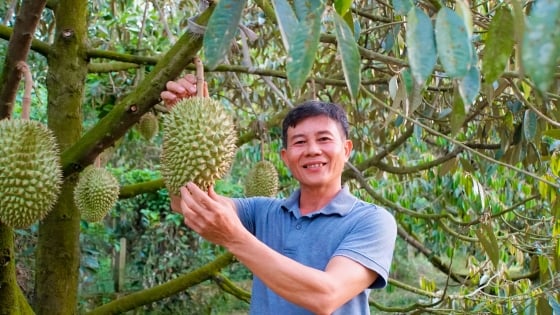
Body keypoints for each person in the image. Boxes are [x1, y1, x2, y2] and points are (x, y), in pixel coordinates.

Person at [162, 74, 398, 315]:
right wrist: (188, 120)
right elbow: (186, 201)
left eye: (324, 139)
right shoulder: (262, 212)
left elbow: (326, 296)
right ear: (285, 157)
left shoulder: (372, 221)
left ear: (346, 149)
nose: (312, 150)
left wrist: (235, 238)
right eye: (299, 142)